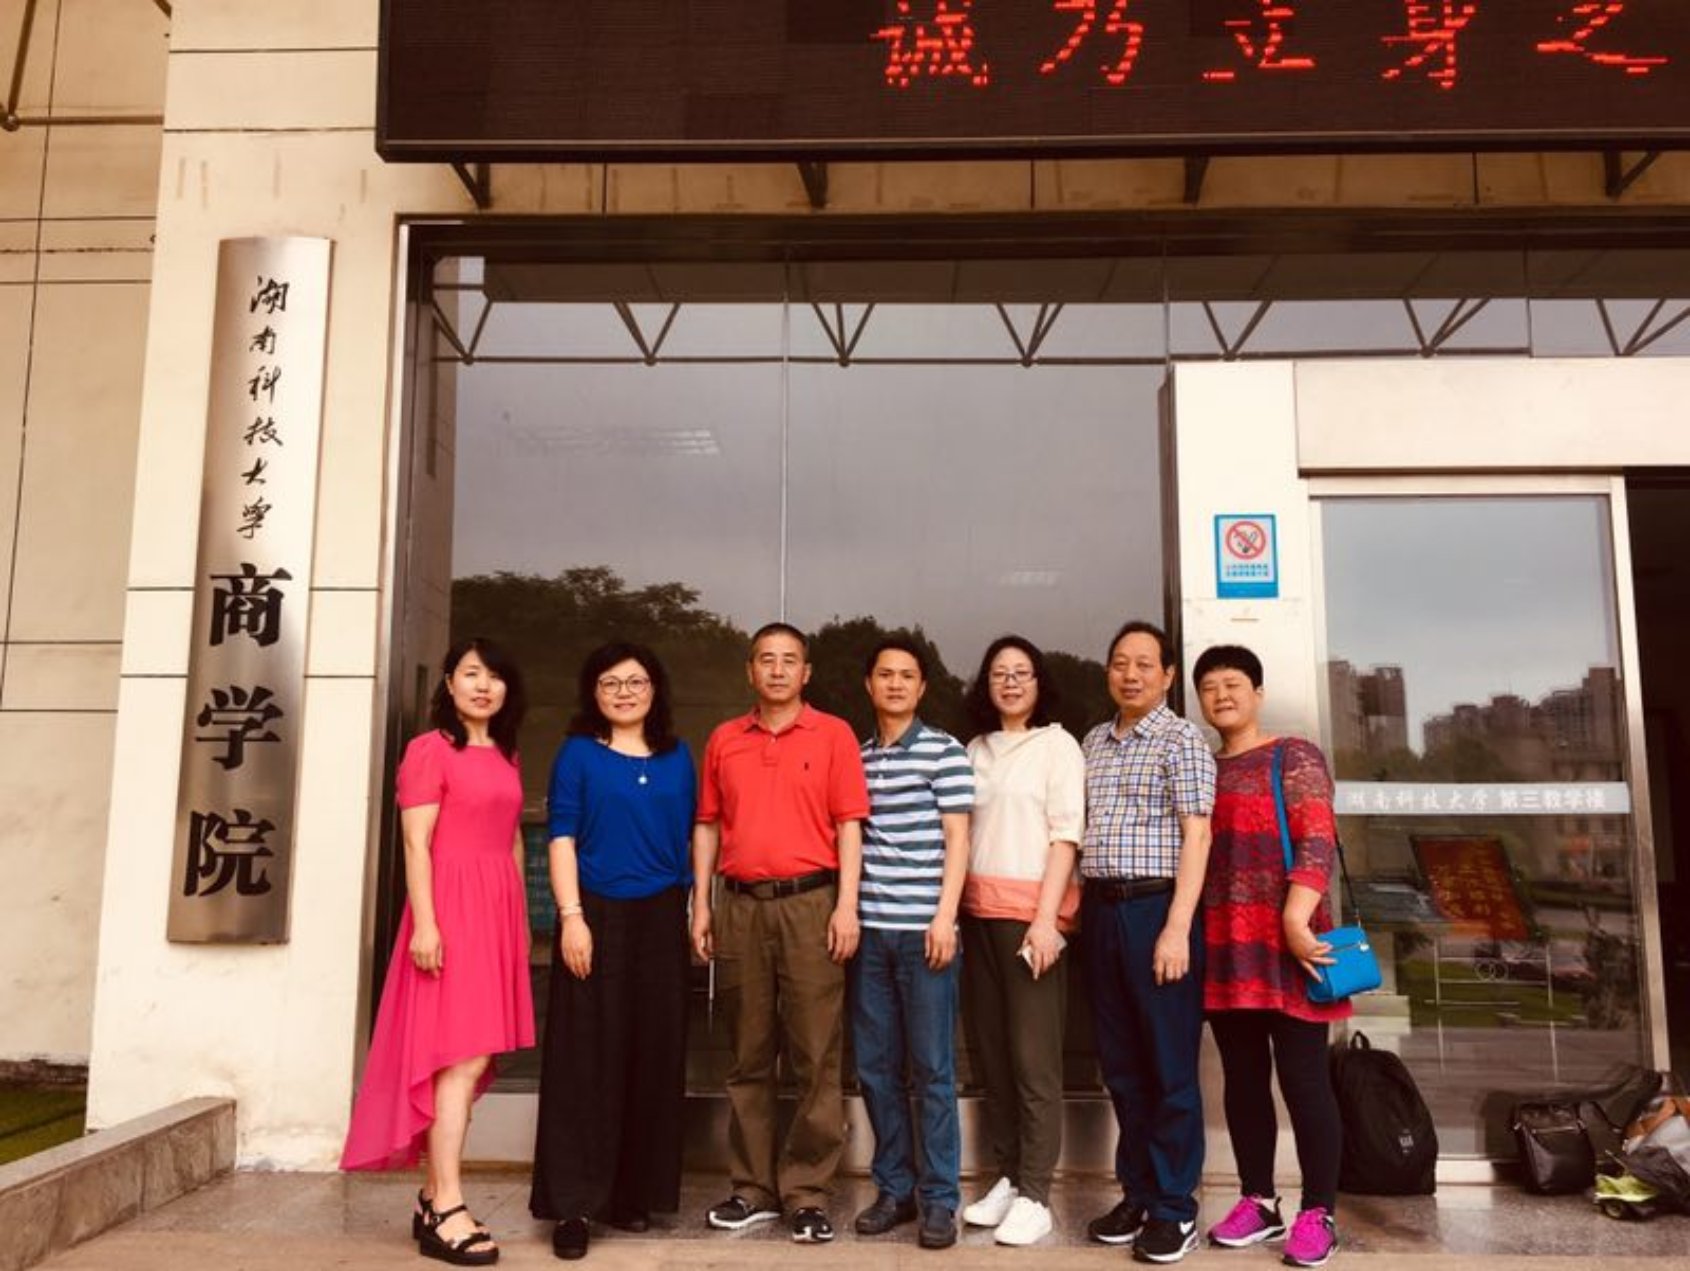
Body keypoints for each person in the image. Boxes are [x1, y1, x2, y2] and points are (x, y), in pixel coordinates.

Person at [341, 637, 534, 1268]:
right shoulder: (429, 750)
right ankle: (447, 1202)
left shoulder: (505, 751)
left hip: (495, 911)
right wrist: (425, 924)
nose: (483, 685)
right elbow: (416, 844)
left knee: (471, 1061)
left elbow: (511, 840)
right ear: (448, 683)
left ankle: (434, 1199)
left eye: (494, 675)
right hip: (450, 910)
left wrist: (520, 924)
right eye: (471, 673)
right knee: (458, 1058)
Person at [691, 622, 870, 1244]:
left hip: (810, 904)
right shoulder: (725, 739)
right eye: (765, 659)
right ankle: (753, 1190)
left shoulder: (833, 735)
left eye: (788, 660)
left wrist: (847, 907)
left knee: (815, 1055)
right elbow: (708, 824)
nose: (776, 670)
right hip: (740, 906)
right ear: (750, 671)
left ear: (806, 672)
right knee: (747, 1054)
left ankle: (807, 1193)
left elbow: (849, 825)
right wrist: (702, 904)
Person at [529, 643, 696, 1261]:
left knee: (652, 1053)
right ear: (593, 693)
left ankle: (631, 1194)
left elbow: (691, 835)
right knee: (585, 1057)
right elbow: (562, 838)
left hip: (662, 916)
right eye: (610, 683)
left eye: (636, 681)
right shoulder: (578, 754)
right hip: (595, 913)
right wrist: (570, 917)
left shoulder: (679, 756)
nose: (625, 693)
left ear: (655, 689)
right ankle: (574, 1203)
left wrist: (695, 907)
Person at [1194, 644, 1348, 1270]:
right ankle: (1259, 1200)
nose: (1222, 695)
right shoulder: (1202, 767)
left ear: (1257, 692)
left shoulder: (1293, 754)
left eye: (1233, 683)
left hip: (1293, 947)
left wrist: (1293, 918)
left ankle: (1319, 1211)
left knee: (1305, 1081)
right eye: (1210, 687)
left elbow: (1317, 839)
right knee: (1243, 1081)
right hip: (1226, 948)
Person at [1080, 620, 1215, 1265]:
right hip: (1101, 912)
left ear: (1166, 675)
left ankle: (1174, 1207)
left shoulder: (1182, 739)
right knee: (1122, 1067)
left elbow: (1198, 835)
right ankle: (1136, 1192)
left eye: (1143, 664)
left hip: (1157, 910)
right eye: (1119, 663)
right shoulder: (1093, 742)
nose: (1129, 674)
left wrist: (1177, 926)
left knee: (1168, 1067)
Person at [957, 635, 1083, 1247]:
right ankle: (1009, 1177)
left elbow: (1066, 837)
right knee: (994, 1059)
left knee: (1034, 1062)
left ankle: (1036, 1193)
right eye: (999, 673)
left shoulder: (1057, 746)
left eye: (1021, 672)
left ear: (1039, 683)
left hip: (1031, 921)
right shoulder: (974, 749)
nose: (1010, 681)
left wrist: (1046, 920)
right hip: (977, 917)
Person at [850, 636, 974, 1251]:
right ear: (869, 685)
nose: (895, 684)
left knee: (931, 1069)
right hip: (871, 934)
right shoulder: (856, 756)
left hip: (927, 933)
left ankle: (940, 1199)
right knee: (876, 1068)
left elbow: (958, 839)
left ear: (922, 687)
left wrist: (945, 917)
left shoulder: (945, 751)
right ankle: (894, 1189)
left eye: (907, 675)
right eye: (885, 674)